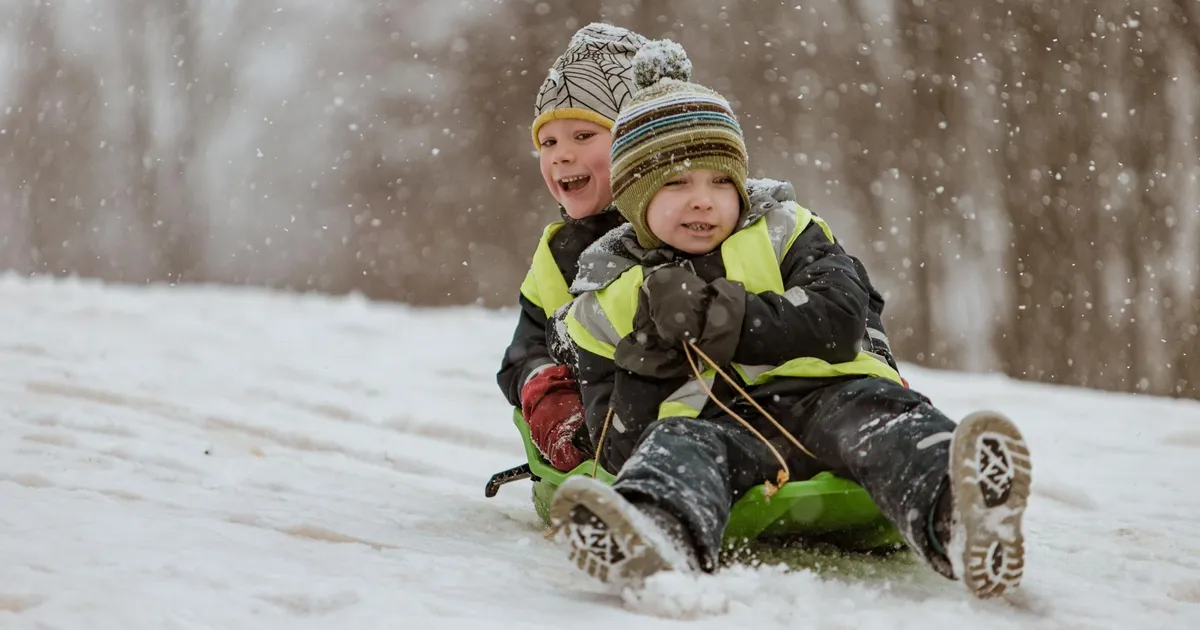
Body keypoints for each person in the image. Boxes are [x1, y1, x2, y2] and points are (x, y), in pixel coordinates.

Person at [548, 39, 1032, 600]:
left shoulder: (786, 230)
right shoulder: (606, 294)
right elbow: (617, 444)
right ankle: (658, 535)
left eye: (719, 182)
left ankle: (962, 515)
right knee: (674, 447)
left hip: (830, 396)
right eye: (676, 184)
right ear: (635, 198)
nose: (702, 200)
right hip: (718, 425)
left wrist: (722, 316)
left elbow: (839, 317)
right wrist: (649, 352)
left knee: (891, 424)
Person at [496, 23, 649, 472]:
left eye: (584, 136)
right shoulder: (555, 256)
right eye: (548, 142)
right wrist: (550, 397)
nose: (561, 154)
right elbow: (522, 353)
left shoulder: (689, 225)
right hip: (602, 432)